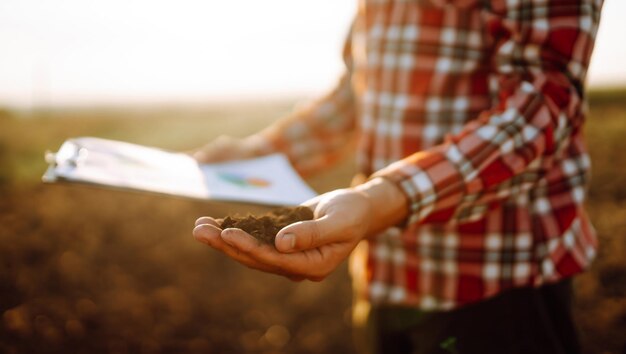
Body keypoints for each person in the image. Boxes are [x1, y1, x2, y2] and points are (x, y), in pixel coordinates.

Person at [192, 0, 603, 353]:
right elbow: (359, 91)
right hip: (384, 276)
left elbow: (542, 105)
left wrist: (380, 199)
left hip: (498, 287)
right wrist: (260, 153)